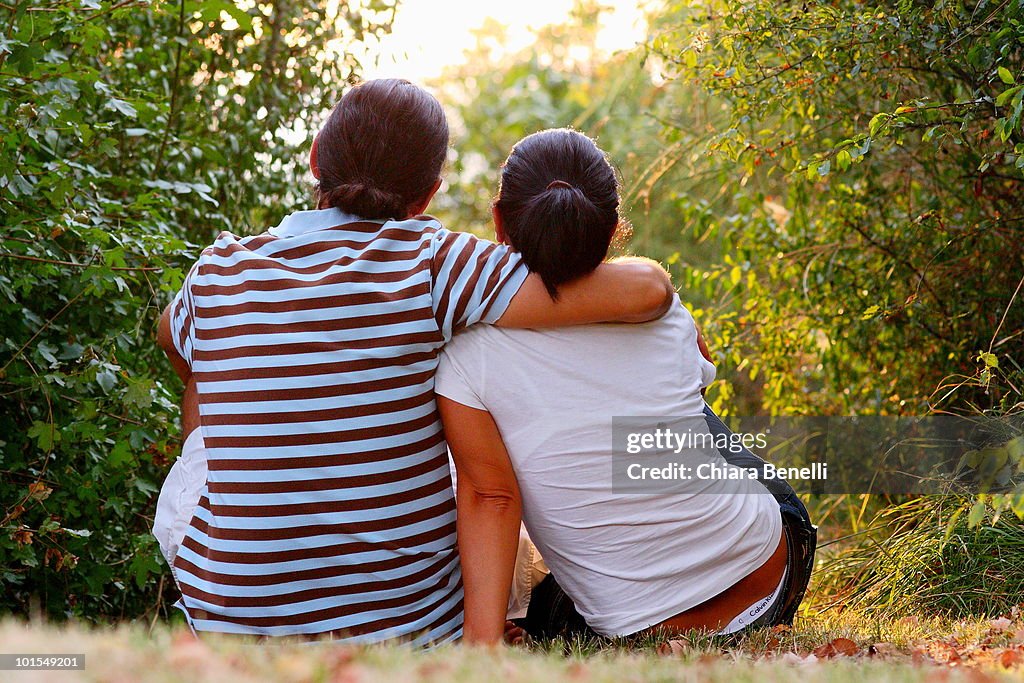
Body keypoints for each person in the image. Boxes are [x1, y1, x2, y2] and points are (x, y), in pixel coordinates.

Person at [152, 80, 674, 645]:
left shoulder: (218, 270)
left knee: (202, 388)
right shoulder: (435, 264)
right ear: (427, 195)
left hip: (234, 629)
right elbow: (645, 289)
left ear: (313, 158)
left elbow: (171, 338)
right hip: (409, 633)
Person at [435, 128, 816, 645]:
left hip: (635, 632)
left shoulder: (464, 355)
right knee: (681, 412)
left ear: (499, 221)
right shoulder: (660, 308)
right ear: (614, 228)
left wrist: (480, 649)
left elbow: (492, 498)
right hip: (771, 578)